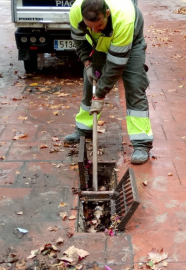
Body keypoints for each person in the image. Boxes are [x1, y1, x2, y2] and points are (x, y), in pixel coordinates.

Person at [65, 0, 153, 165]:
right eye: (89, 26)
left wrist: (100, 95)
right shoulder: (76, 11)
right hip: (100, 45)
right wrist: (87, 63)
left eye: (98, 25)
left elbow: (115, 66)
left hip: (130, 43)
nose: (94, 30)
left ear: (106, 14)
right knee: (89, 81)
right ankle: (84, 130)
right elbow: (79, 41)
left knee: (135, 87)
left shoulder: (123, 19)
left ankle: (141, 143)